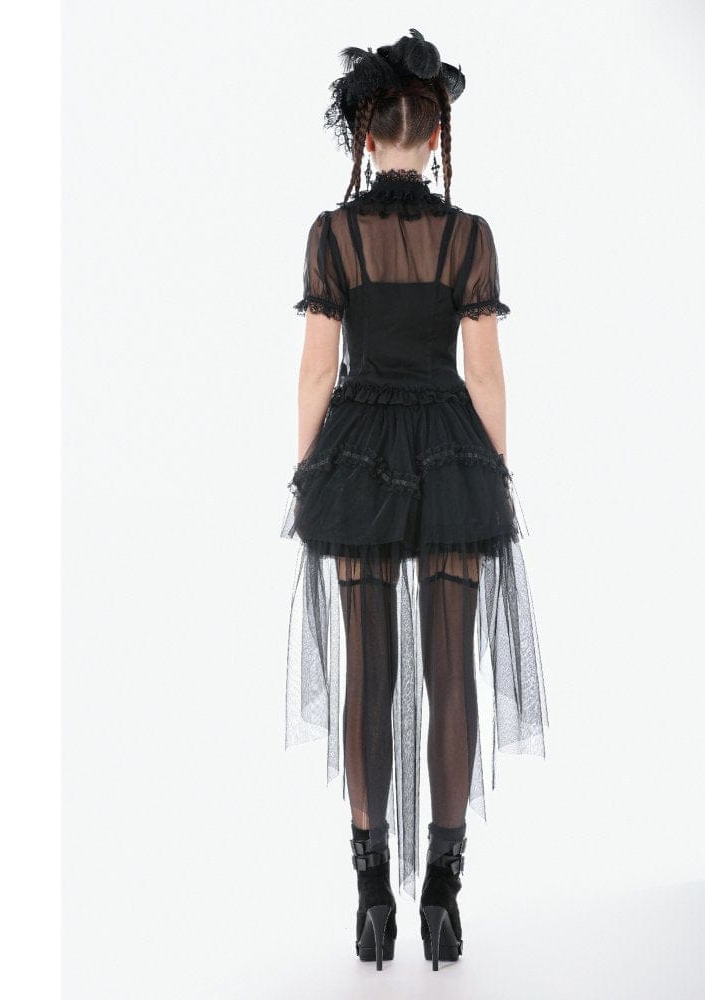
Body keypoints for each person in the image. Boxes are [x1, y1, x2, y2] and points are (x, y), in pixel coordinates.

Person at [279, 28, 550, 971]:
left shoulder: (333, 235)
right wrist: (491, 475)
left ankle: (369, 897)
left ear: (365, 135)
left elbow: (317, 372)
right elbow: (488, 374)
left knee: (369, 673)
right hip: (448, 452)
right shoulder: (469, 237)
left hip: (358, 455)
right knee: (451, 671)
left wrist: (311, 475)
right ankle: (442, 889)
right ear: (434, 137)